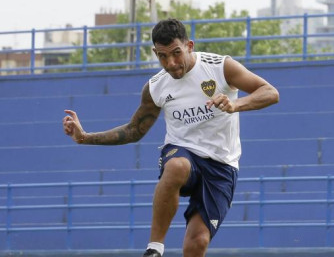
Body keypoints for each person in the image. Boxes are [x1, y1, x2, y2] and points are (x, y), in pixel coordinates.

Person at [62, 18, 279, 257]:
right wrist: (85, 137)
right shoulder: (155, 87)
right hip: (181, 151)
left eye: (176, 53)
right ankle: (154, 248)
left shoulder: (220, 67)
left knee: (197, 243)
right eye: (163, 56)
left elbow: (270, 92)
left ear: (189, 46)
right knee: (177, 165)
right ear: (155, 53)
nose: (171, 63)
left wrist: (235, 104)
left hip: (222, 165)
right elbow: (135, 130)